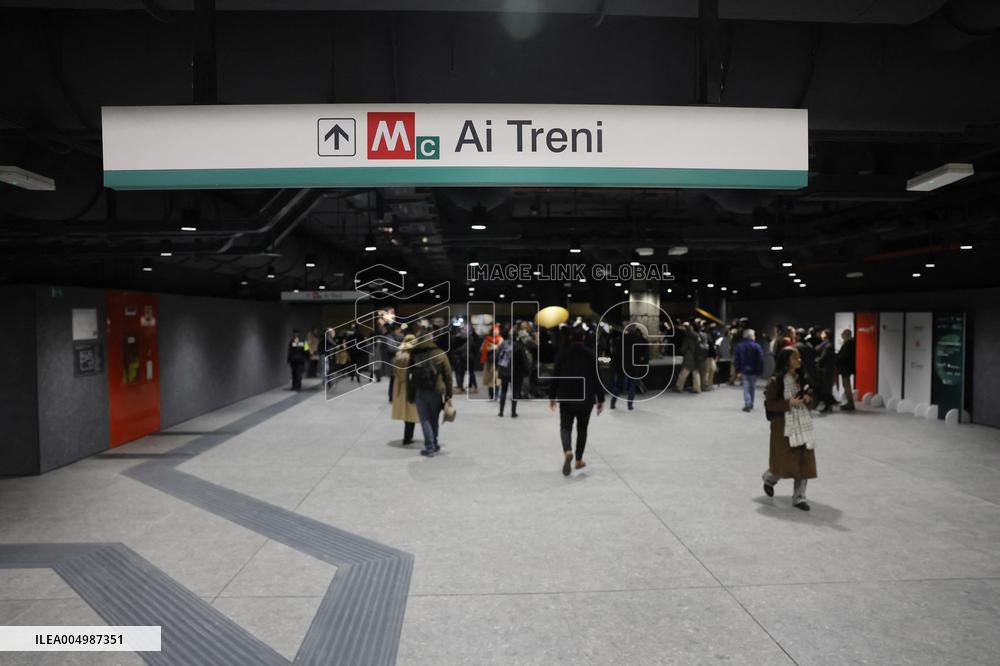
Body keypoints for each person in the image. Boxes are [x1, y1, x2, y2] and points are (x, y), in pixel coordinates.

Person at [762, 347, 818, 511]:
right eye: (795, 358)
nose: (799, 360)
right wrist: (789, 403)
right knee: (783, 461)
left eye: (799, 357)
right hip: (783, 426)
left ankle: (799, 497)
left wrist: (808, 399)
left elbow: (812, 399)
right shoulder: (776, 381)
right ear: (786, 360)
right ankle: (769, 479)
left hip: (803, 424)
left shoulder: (803, 377)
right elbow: (770, 404)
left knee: (804, 460)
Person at [549, 327, 605, 476]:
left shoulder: (563, 353)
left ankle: (568, 450)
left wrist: (552, 396)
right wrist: (600, 399)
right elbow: (597, 378)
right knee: (582, 429)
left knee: (565, 427)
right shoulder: (591, 354)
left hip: (567, 397)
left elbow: (556, 376)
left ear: (570, 338)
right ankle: (579, 460)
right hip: (586, 398)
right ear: (584, 338)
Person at [407, 324, 454, 457]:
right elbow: (448, 375)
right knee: (434, 419)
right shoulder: (439, 353)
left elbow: (408, 375)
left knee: (425, 420)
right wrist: (449, 394)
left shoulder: (414, 353)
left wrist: (409, 394)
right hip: (436, 391)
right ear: (431, 338)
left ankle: (430, 447)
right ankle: (434, 444)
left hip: (419, 391)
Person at [390, 334, 420, 444]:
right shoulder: (412, 357)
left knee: (405, 412)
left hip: (399, 387)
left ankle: (408, 436)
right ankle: (408, 437)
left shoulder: (399, 354)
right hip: (409, 386)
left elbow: (395, 371)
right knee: (411, 412)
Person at [612, 322, 646, 410]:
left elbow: (616, 352)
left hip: (622, 365)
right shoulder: (637, 339)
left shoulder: (621, 338)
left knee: (618, 384)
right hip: (633, 365)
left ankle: (613, 402)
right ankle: (630, 405)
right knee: (632, 385)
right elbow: (642, 351)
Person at [496, 326, 526, 417]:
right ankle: (513, 412)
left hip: (504, 371)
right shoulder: (519, 346)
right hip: (516, 373)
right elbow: (523, 360)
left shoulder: (503, 344)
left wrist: (498, 368)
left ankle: (501, 412)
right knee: (515, 392)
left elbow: (497, 356)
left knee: (503, 391)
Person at [733, 328, 764, 412]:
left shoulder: (739, 346)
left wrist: (737, 370)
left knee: (746, 387)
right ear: (751, 336)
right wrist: (760, 371)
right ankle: (751, 403)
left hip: (743, 370)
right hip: (754, 371)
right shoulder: (757, 346)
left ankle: (748, 403)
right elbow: (760, 360)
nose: (755, 337)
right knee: (752, 387)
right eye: (754, 335)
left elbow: (736, 359)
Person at [674, 322, 702, 393]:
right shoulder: (697, 336)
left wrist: (680, 350)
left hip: (689, 357)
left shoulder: (687, 337)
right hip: (696, 356)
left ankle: (679, 387)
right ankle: (697, 388)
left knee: (684, 373)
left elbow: (684, 348)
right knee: (696, 373)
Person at [814, 329, 837, 413]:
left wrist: (816, 360)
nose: (821, 334)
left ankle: (828, 406)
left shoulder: (828, 345)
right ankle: (828, 406)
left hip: (826, 370)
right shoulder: (826, 344)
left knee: (826, 388)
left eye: (823, 333)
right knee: (826, 388)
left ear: (826, 335)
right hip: (826, 369)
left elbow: (823, 357)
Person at [481, 324, 503, 400]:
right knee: (490, 379)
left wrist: (497, 347)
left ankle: (496, 395)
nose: (496, 331)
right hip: (489, 362)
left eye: (497, 330)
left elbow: (503, 349)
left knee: (497, 379)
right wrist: (490, 348)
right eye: (494, 330)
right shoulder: (487, 339)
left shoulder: (500, 339)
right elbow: (482, 349)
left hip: (498, 362)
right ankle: (491, 395)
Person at [836, 329, 856, 411]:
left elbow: (844, 356)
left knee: (847, 386)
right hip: (847, 368)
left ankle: (850, 404)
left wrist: (836, 358)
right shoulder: (850, 343)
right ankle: (850, 403)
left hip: (846, 368)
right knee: (846, 386)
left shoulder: (848, 344)